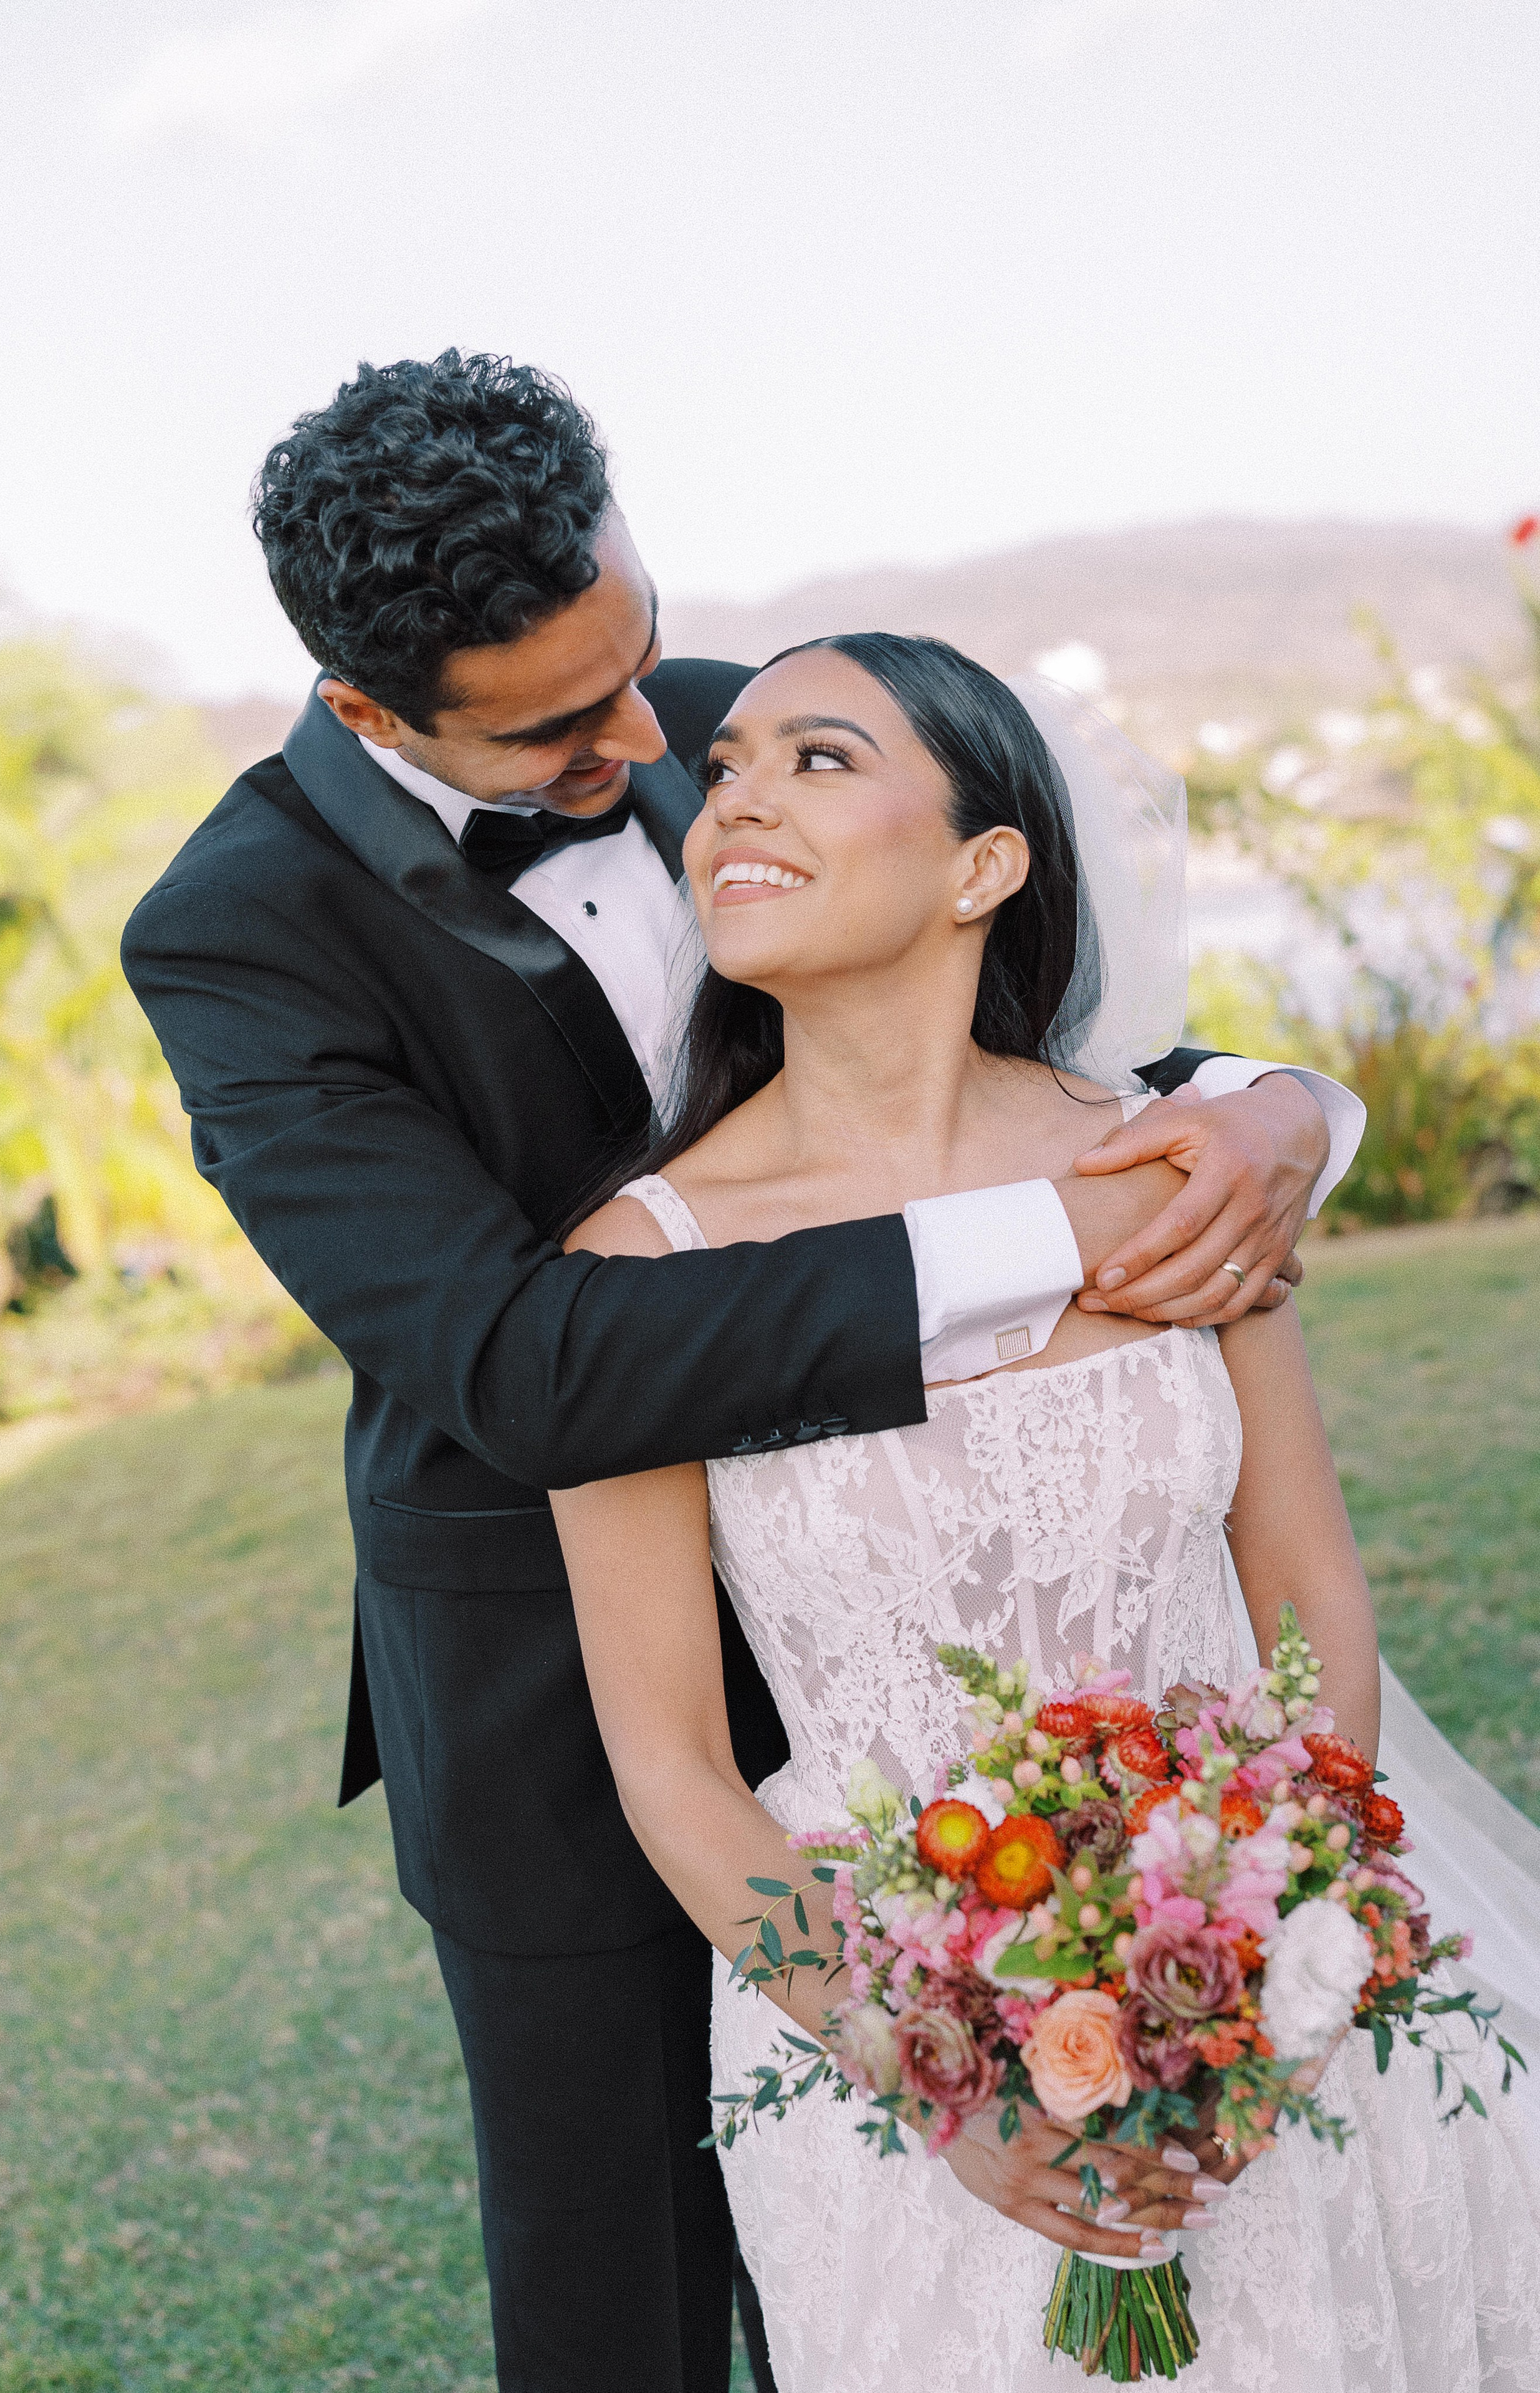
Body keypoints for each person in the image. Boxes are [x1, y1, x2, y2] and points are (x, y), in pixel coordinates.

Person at [121, 353, 1362, 2393]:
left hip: (937, 1619)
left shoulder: (737, 733)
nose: (655, 734)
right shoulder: (239, 933)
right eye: (561, 721)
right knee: (626, 2281)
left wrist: (1279, 1106)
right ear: (369, 710)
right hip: (557, 1675)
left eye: (644, 655)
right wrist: (1055, 1244)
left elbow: (1038, 1039)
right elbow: (523, 1365)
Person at [550, 632, 1540, 2391]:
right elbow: (675, 1772)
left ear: (985, 866)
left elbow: (1304, 1581)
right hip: (887, 2055)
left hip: (1268, 1993)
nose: (736, 801)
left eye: (821, 759)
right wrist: (943, 2080)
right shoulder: (642, 1269)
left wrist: (1275, 1953)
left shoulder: (1184, 1164)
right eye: (726, 772)